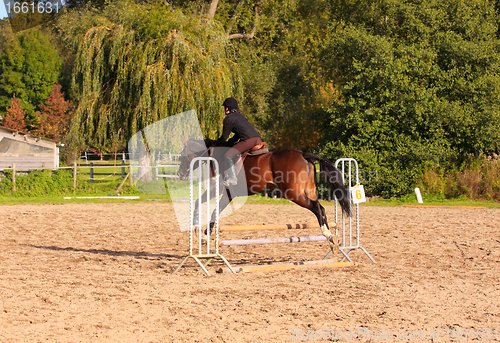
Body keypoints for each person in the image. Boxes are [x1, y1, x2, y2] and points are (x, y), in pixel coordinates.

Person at [216, 97, 262, 186]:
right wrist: (231, 142)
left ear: (227, 108)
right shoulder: (241, 116)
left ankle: (232, 178)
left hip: (249, 140)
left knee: (228, 155)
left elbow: (224, 137)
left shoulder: (228, 119)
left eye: (224, 107)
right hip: (258, 139)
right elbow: (237, 135)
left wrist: (217, 143)